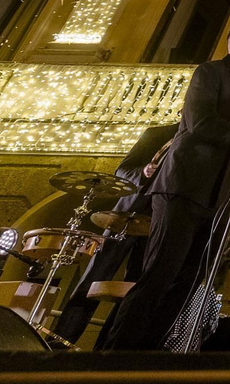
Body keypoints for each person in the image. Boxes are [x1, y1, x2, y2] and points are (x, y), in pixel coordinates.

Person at [99, 18, 230, 351]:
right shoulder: (208, 73)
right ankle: (117, 353)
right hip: (182, 185)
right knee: (160, 273)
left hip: (218, 196)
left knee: (189, 282)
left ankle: (149, 353)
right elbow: (201, 124)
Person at [54, 122, 177, 343]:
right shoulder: (158, 134)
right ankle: (62, 340)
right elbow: (123, 170)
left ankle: (108, 346)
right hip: (127, 216)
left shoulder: (201, 140)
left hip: (159, 224)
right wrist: (144, 171)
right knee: (95, 277)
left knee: (135, 290)